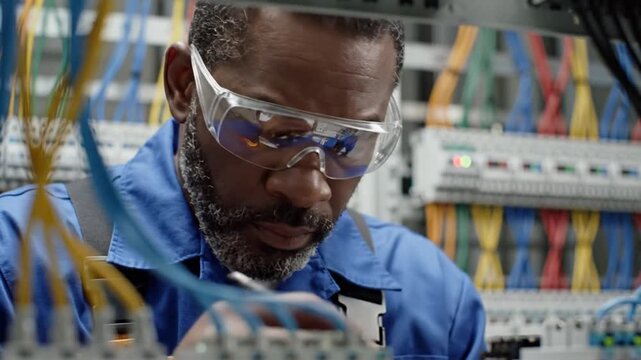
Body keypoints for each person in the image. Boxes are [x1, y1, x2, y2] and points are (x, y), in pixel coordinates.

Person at [0, 2, 485, 358]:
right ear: (184, 87)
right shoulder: (18, 266)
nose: (309, 189)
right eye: (271, 130)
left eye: (347, 142)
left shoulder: (433, 302)